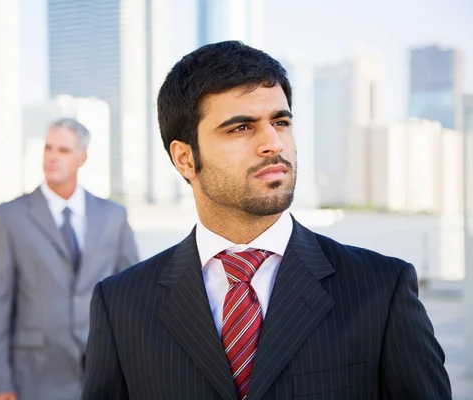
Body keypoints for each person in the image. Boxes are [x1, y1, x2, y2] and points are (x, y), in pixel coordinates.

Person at [83, 41, 451, 400]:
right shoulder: (120, 305)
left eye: (280, 121)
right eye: (240, 127)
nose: (273, 143)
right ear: (184, 158)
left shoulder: (381, 290)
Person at [0, 118, 139, 400]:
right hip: (35, 375)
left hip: (104, 372)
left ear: (82, 158)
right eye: (48, 148)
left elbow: (133, 295)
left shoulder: (113, 215)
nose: (52, 157)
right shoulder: (8, 218)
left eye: (63, 150)